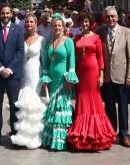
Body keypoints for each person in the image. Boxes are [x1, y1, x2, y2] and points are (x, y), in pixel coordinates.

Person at [67, 12, 115, 151]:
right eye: (82, 22)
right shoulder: (76, 38)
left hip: (93, 72)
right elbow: (72, 56)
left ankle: (98, 134)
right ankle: (82, 134)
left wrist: (101, 75)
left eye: (87, 22)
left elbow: (101, 58)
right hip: (80, 74)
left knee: (95, 100)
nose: (84, 24)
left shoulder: (96, 38)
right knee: (82, 100)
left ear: (91, 23)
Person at [0, 3, 24, 148]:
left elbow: (20, 51)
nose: (5, 16)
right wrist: (1, 68)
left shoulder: (18, 30)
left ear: (11, 14)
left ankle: (14, 134)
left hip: (13, 75)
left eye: (8, 13)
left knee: (14, 105)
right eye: (3, 13)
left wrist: (10, 68)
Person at [99, 5, 130, 147]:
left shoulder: (126, 32)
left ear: (117, 17)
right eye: (107, 17)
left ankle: (124, 134)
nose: (110, 19)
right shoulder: (100, 32)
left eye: (113, 16)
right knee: (109, 107)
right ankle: (111, 132)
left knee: (123, 107)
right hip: (107, 77)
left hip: (122, 75)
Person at [41, 14, 78, 151]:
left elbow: (72, 62)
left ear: (63, 27)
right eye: (55, 25)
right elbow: (46, 61)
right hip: (52, 80)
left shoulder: (68, 41)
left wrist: (69, 79)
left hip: (63, 80)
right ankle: (52, 139)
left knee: (63, 108)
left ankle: (62, 141)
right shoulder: (49, 43)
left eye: (59, 25)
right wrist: (45, 78)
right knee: (53, 109)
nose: (57, 28)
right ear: (52, 27)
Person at [11, 13, 46, 149]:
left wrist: (44, 78)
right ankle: (22, 136)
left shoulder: (42, 40)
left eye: (31, 22)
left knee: (34, 104)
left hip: (36, 73)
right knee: (23, 103)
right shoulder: (22, 38)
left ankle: (34, 136)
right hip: (23, 73)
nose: (29, 25)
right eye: (27, 23)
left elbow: (44, 59)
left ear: (36, 23)